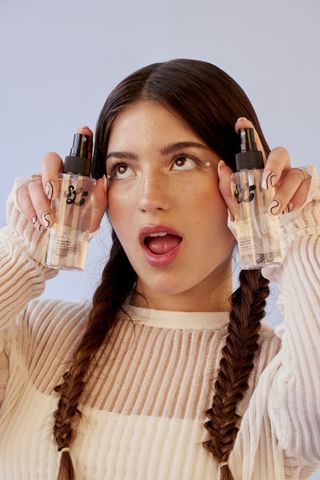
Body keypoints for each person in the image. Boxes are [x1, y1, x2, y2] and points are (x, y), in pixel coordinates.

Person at [0, 59, 319, 480]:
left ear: (245, 182)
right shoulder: (34, 340)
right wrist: (24, 249)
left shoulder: (281, 370)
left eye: (183, 161)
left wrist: (296, 231)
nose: (150, 197)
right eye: (123, 169)